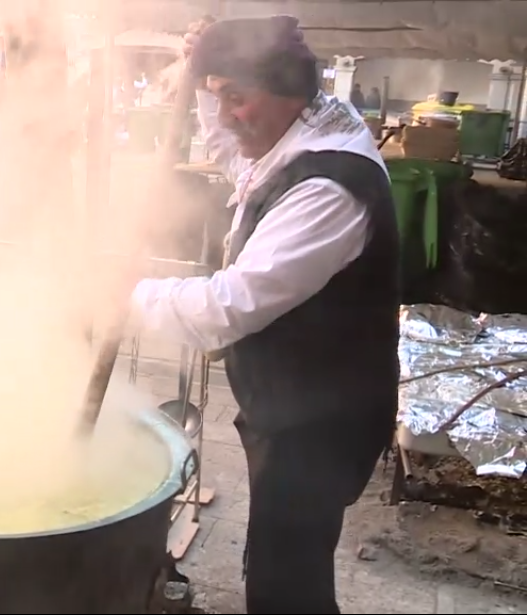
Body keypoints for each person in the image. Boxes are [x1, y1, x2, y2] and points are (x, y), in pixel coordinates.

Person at [128, 16, 399, 614]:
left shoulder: (328, 188)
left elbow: (226, 309)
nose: (224, 116)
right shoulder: (301, 131)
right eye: (218, 95)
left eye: (236, 98)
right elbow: (233, 151)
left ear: (287, 92)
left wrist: (127, 294)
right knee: (283, 559)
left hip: (321, 424)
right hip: (297, 403)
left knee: (286, 584)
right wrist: (205, 78)